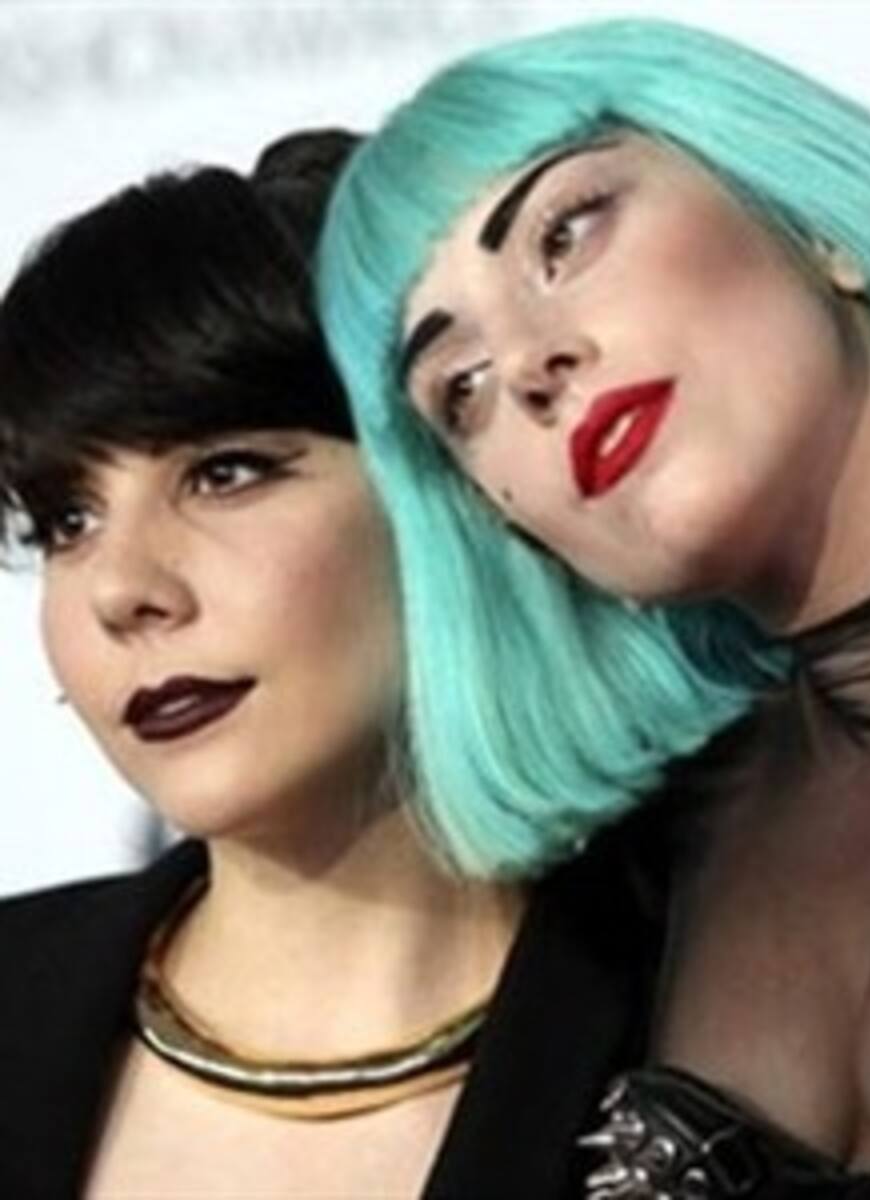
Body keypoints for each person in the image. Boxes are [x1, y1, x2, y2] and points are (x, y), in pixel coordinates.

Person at [317, 18, 870, 1199]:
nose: (525, 366)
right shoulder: (622, 893)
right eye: (458, 389)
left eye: (564, 235)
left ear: (816, 226)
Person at [0, 130, 675, 1200]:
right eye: (67, 520)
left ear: (457, 485)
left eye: (225, 474)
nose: (121, 588)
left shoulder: (729, 1014)